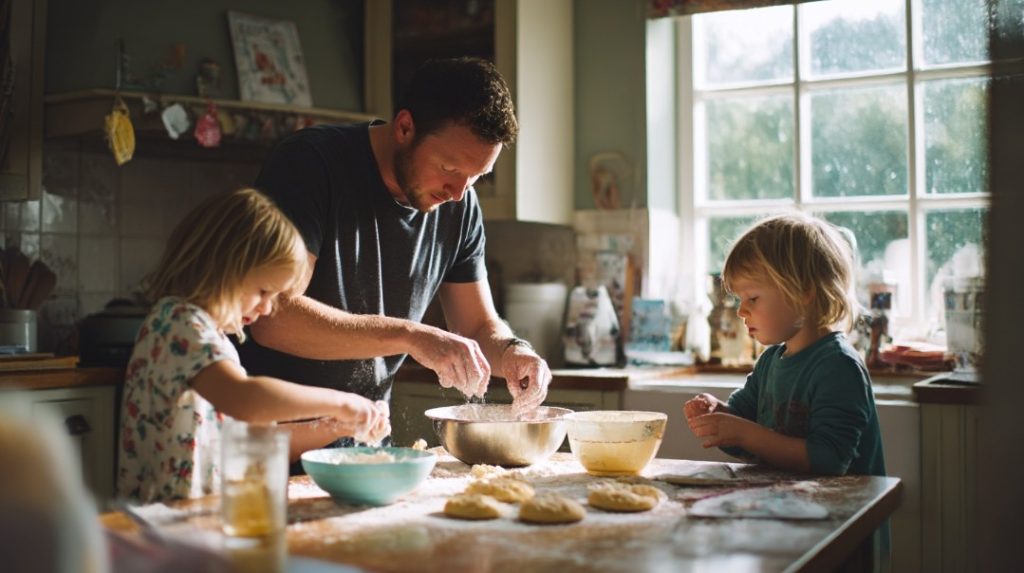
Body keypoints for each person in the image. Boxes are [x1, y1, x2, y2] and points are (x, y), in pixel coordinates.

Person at [236, 57, 552, 425]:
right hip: (268, 441)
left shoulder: (460, 206)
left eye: (477, 176)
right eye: (449, 169)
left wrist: (514, 351)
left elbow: (478, 327)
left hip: (366, 439)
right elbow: (274, 317)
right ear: (404, 127)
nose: (458, 193)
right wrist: (411, 336)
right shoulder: (310, 165)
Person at [117, 188, 390, 503]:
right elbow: (245, 400)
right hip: (159, 529)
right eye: (263, 291)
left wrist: (338, 426)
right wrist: (342, 402)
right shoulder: (179, 323)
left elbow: (263, 441)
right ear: (224, 265)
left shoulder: (212, 337)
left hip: (196, 525)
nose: (267, 308)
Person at [684, 212, 886, 478]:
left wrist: (742, 432)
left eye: (752, 298)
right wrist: (718, 416)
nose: (741, 311)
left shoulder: (839, 368)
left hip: (845, 515)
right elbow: (745, 431)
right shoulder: (770, 362)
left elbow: (829, 460)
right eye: (739, 300)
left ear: (803, 291)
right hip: (794, 510)